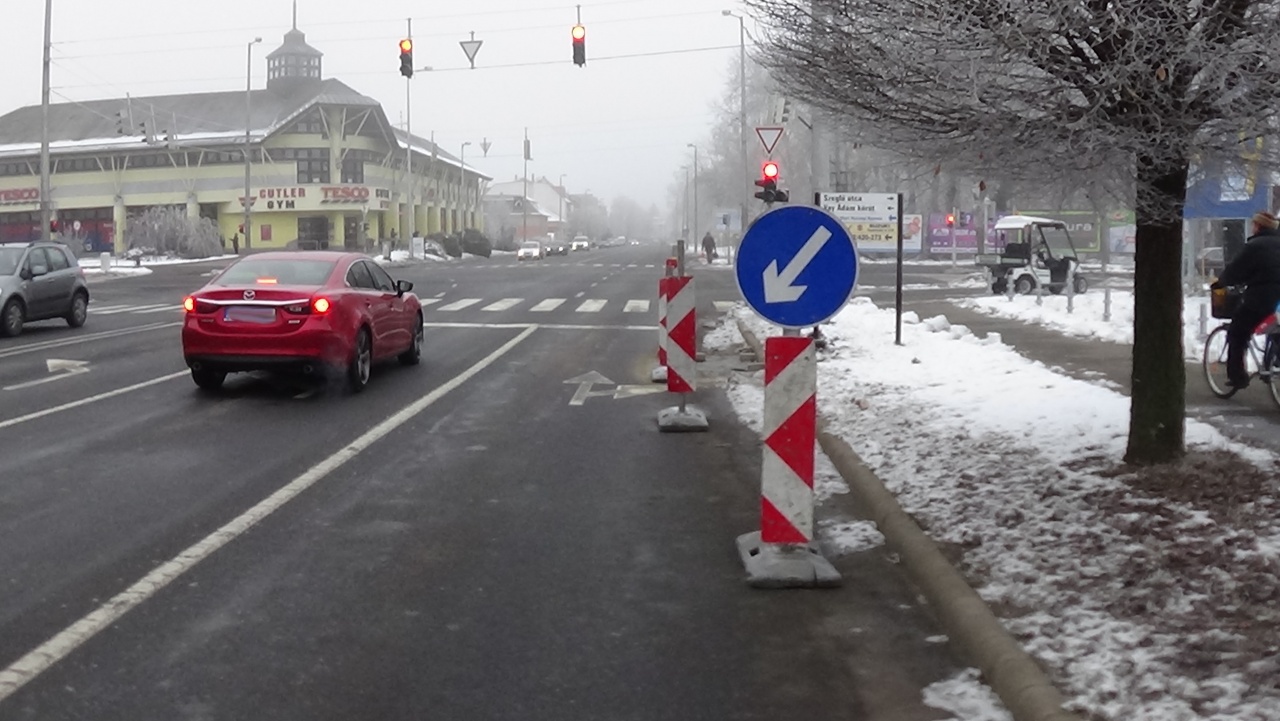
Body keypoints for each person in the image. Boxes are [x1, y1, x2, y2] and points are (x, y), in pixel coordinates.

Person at [1211, 211, 1280, 388]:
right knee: (1276, 330)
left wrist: (1221, 283)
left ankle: (1238, 377)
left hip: (1262, 299)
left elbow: (1236, 270)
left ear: (1258, 226)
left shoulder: (1255, 246)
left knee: (1237, 332)